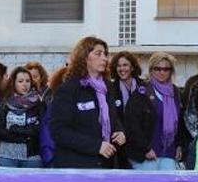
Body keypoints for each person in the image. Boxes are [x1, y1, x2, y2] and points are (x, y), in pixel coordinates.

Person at [50, 36, 125, 169]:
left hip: (104, 164)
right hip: (75, 166)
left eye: (105, 54)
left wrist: (119, 131)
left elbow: (112, 118)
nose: (105, 58)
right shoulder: (69, 88)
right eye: (98, 53)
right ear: (84, 57)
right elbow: (59, 131)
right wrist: (96, 146)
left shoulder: (107, 88)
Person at [125, 52, 186, 170]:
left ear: (171, 71)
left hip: (169, 152)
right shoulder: (141, 92)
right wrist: (145, 148)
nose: (162, 72)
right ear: (151, 70)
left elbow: (179, 122)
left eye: (166, 69)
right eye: (157, 69)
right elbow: (132, 124)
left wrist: (179, 145)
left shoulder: (175, 92)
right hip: (146, 154)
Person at [0, 66, 45, 168]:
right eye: (20, 81)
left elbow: (39, 129)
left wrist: (14, 129)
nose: (24, 84)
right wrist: (25, 135)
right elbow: (0, 130)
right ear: (14, 83)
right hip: (7, 155)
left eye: (27, 81)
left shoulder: (39, 103)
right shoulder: (5, 102)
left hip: (32, 156)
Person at [109, 51, 143, 168]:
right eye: (118, 66)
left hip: (141, 145)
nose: (121, 69)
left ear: (132, 67)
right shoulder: (110, 89)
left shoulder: (144, 87)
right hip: (120, 146)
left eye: (125, 65)